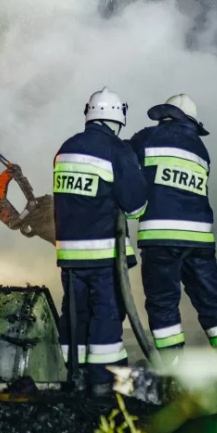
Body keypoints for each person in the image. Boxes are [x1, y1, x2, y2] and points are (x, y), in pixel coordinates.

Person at [129, 94, 217, 361]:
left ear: (166, 115)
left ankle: (173, 369)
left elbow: (121, 166)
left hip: (161, 237)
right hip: (200, 240)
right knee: (211, 301)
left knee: (163, 304)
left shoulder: (147, 138)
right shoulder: (200, 149)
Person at [53, 87, 148, 395]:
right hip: (105, 255)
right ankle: (103, 383)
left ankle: (70, 377)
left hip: (69, 255)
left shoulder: (65, 148)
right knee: (106, 316)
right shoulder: (116, 150)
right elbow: (135, 208)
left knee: (74, 315)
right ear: (119, 117)